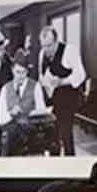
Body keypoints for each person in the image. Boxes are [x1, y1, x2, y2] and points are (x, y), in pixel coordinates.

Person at [38, 25, 87, 156]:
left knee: (66, 136)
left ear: (56, 40)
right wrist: (45, 83)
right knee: (52, 138)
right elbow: (41, 76)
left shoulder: (69, 50)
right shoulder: (42, 54)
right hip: (51, 99)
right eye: (43, 46)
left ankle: (71, 165)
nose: (46, 50)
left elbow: (81, 75)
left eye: (49, 45)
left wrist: (62, 81)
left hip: (68, 100)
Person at [0, 49, 48, 156]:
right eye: (18, 72)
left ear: (27, 72)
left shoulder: (35, 86)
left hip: (31, 136)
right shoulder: (5, 89)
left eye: (24, 72)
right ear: (12, 70)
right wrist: (11, 113)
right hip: (11, 140)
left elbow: (41, 112)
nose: (21, 76)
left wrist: (32, 114)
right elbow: (0, 119)